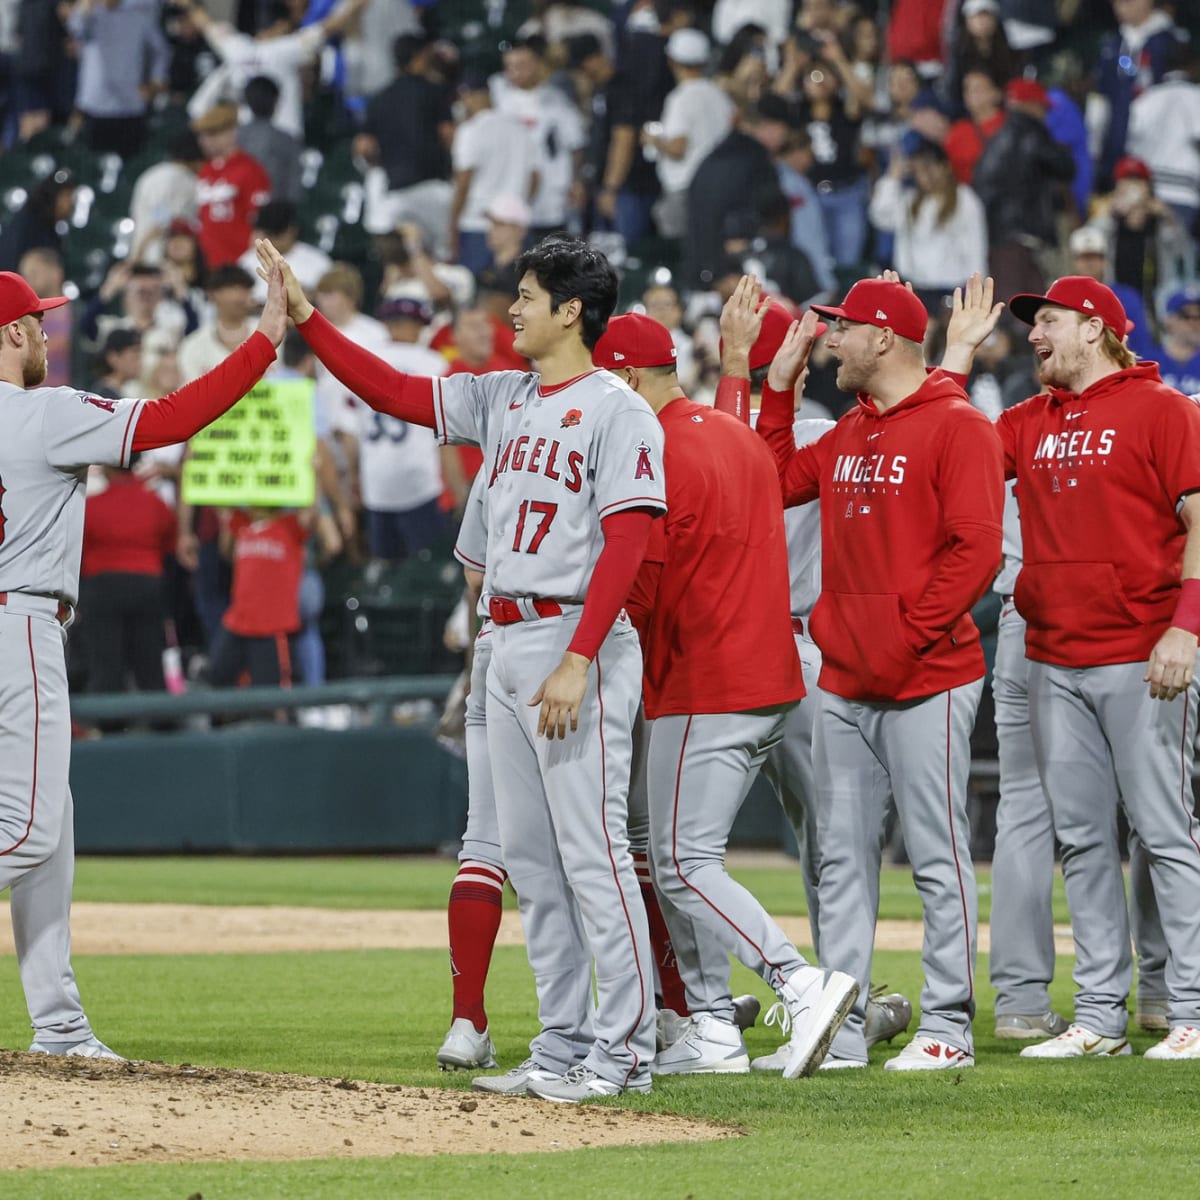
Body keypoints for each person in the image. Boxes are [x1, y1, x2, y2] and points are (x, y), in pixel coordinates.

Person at [262, 234, 665, 1103]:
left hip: (572, 641)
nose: (509, 309)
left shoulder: (616, 408)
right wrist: (308, 319)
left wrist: (580, 657)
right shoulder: (503, 396)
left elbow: (628, 544)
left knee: (593, 853)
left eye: (526, 296)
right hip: (504, 641)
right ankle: (561, 1043)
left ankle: (624, 1049)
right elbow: (396, 391)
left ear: (570, 310)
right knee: (530, 859)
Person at [0, 262, 286, 1058]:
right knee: (22, 832)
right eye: (41, 325)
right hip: (17, 627)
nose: (49, 338)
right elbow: (171, 418)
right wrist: (263, 341)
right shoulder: (42, 412)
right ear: (18, 332)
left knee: (51, 833)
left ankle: (58, 1023)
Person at [595, 310, 858, 1079]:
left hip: (705, 676)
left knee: (681, 862)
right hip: (769, 671)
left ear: (629, 380)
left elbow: (644, 578)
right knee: (676, 853)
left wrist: (586, 652)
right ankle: (712, 1026)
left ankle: (797, 982)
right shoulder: (733, 435)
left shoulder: (656, 448)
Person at [756, 278, 1004, 1069]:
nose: (830, 340)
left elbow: (978, 551)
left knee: (937, 855)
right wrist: (776, 389)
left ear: (887, 339)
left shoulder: (957, 426)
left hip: (930, 673)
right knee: (841, 857)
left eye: (843, 329)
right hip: (845, 676)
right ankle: (844, 1024)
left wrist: (907, 637)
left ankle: (949, 1028)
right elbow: (768, 486)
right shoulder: (848, 432)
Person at [977, 275, 1200, 1062]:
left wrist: (1186, 627)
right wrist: (954, 355)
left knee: (1166, 833)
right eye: (1033, 324)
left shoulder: (1164, 409)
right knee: (1082, 843)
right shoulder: (1026, 420)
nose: (1034, 335)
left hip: (1144, 653)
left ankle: (1194, 1010)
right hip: (1051, 655)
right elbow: (944, 445)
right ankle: (1101, 1015)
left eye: (1049, 322)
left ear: (1097, 328)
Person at [713, 280, 914, 1058]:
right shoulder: (789, 429)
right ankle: (831, 1003)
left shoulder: (824, 430)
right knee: (806, 845)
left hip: (792, 649)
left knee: (814, 844)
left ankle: (840, 1007)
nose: (824, 344)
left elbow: (746, 474)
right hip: (775, 650)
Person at [357, 32, 454, 256]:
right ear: (420, 57)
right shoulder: (435, 90)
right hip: (433, 186)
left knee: (403, 258)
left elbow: (364, 147)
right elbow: (448, 135)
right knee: (441, 254)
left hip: (396, 192)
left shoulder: (380, 97)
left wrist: (386, 160)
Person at [868, 139, 987, 311]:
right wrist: (893, 177)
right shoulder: (910, 201)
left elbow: (976, 249)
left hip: (951, 293)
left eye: (928, 169)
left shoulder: (964, 200)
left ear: (944, 167)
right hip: (916, 291)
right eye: (917, 171)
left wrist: (976, 295)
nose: (923, 177)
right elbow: (880, 217)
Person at [646, 28, 735, 241]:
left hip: (685, 189)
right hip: (718, 186)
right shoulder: (720, 95)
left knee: (681, 255)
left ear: (673, 61)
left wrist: (653, 140)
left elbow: (678, 148)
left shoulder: (681, 98)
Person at [447, 72, 537, 276]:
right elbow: (534, 178)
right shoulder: (519, 127)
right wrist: (519, 209)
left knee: (480, 292)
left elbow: (463, 182)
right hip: (514, 229)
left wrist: (452, 225)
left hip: (477, 225)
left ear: (467, 96)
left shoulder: (469, 130)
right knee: (515, 291)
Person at [66, 0, 168, 158]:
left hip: (130, 104)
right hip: (95, 104)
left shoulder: (138, 14)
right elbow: (75, 27)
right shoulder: (90, 15)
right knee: (92, 163)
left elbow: (160, 50)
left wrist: (156, 81)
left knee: (132, 162)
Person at [193, 103, 272, 270]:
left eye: (213, 134)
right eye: (203, 135)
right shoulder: (206, 170)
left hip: (239, 262)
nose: (205, 141)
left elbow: (260, 224)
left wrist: (250, 261)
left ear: (231, 133)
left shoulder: (250, 169)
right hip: (208, 262)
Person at [237, 75, 303, 206]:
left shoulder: (234, 137)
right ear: (276, 101)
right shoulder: (287, 140)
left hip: (244, 211)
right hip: (273, 213)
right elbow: (294, 187)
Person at [1153, 287, 1200, 396]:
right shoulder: (1148, 361)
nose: (1195, 323)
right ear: (1168, 321)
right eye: (1186, 316)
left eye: (1199, 316)